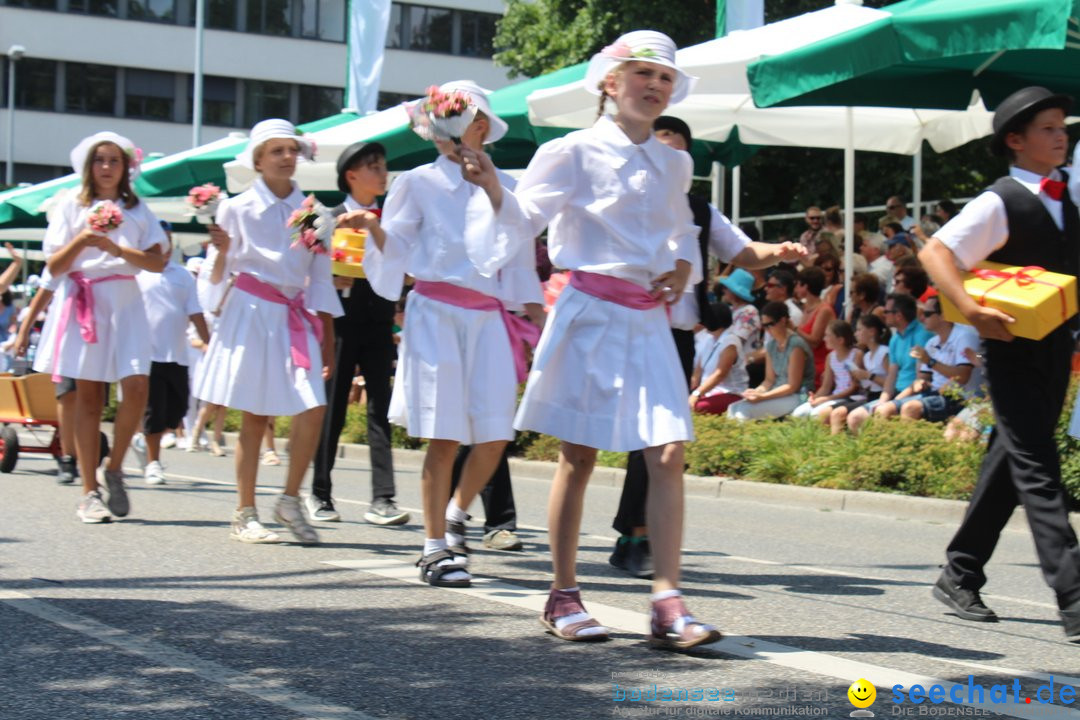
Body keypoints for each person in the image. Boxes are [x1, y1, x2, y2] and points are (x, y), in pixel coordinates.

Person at [462, 31, 797, 649]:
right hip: (590, 313)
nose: (655, 84)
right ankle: (563, 593)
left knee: (668, 453)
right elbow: (524, 219)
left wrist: (679, 269)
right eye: (641, 72)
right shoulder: (571, 151)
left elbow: (677, 235)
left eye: (665, 77)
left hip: (648, 320)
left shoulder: (675, 162)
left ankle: (667, 603)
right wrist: (489, 185)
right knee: (579, 454)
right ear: (609, 83)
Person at [361, 81, 544, 587]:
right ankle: (434, 548)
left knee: (494, 434)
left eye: (460, 117)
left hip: (488, 318)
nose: (447, 129)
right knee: (444, 436)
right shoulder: (417, 182)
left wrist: (537, 315)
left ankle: (459, 514)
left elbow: (519, 256)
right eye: (443, 118)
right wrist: (373, 231)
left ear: (481, 125)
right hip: (436, 311)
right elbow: (394, 245)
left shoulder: (506, 182)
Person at [609, 115, 803, 580]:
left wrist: (780, 250)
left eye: (676, 151)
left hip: (675, 335)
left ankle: (638, 536)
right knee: (590, 445)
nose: (665, 159)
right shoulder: (620, 201)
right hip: (621, 325)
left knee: (659, 438)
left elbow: (742, 251)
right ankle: (610, 547)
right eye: (657, 148)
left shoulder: (698, 208)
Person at [920, 87, 1080, 641]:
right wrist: (968, 308)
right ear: (1015, 140)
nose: (1062, 135)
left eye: (1064, 126)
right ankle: (1074, 594)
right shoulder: (1000, 200)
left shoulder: (1068, 198)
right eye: (1049, 128)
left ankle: (959, 571)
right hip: (1010, 349)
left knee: (1011, 460)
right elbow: (934, 252)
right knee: (1038, 466)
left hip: (1057, 346)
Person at [196, 118, 343, 544]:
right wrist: (223, 252)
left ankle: (290, 498)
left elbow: (320, 277)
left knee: (313, 405)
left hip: (294, 315)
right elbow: (215, 275)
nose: (286, 157)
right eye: (276, 151)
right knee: (256, 413)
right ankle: (245, 511)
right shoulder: (236, 208)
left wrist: (328, 338)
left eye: (291, 150)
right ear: (258, 160)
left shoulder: (312, 213)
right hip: (252, 310)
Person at [35, 131, 167, 523]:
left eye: (114, 160)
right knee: (89, 398)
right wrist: (83, 240)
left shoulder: (139, 209)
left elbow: (158, 261)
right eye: (100, 160)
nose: (107, 167)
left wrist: (118, 250)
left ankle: (115, 467)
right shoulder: (70, 207)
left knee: (138, 386)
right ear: (88, 166)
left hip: (127, 301)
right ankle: (89, 491)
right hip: (85, 302)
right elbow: (54, 267)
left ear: (127, 167)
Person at [309, 140, 408, 526]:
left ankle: (383, 498)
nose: (383, 173)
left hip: (380, 319)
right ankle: (319, 493)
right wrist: (327, 278)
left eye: (384, 166)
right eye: (374, 167)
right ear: (352, 175)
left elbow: (405, 266)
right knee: (332, 408)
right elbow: (309, 269)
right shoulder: (326, 217)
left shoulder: (391, 218)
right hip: (340, 319)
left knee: (379, 408)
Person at [131, 222, 210, 485]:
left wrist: (208, 342)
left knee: (177, 410)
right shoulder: (138, 272)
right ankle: (154, 462)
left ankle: (143, 439)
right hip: (147, 355)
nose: (163, 246)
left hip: (177, 354)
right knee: (154, 410)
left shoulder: (183, 275)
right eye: (158, 241)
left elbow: (195, 311)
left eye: (168, 240)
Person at [845, 293, 931, 432]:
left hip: (915, 394)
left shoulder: (921, 335)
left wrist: (894, 400)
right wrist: (883, 401)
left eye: (886, 311)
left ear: (898, 315)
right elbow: (891, 376)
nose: (883, 314)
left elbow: (919, 379)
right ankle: (865, 452)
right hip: (898, 393)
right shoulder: (895, 339)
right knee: (855, 417)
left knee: (882, 412)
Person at [727, 301, 814, 421]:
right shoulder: (771, 345)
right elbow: (769, 380)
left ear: (783, 321)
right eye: (764, 326)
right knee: (733, 408)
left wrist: (762, 397)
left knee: (744, 412)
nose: (767, 330)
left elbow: (793, 386)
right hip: (778, 393)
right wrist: (755, 392)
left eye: (770, 324)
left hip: (798, 395)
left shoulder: (796, 345)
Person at [899, 296, 979, 424]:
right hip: (934, 394)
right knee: (885, 409)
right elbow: (923, 377)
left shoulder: (964, 336)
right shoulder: (931, 342)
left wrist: (929, 361)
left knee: (910, 408)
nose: (922, 318)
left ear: (943, 316)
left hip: (959, 397)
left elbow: (962, 376)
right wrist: (920, 382)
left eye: (927, 314)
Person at [826, 314, 889, 435]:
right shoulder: (866, 356)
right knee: (834, 413)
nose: (856, 334)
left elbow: (891, 383)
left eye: (860, 330)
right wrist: (857, 378)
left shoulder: (884, 352)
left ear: (871, 332)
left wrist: (868, 376)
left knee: (838, 414)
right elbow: (867, 385)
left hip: (882, 396)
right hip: (871, 395)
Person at [791, 319, 858, 421]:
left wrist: (827, 399)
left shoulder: (856, 355)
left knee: (816, 415)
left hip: (849, 398)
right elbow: (826, 386)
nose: (824, 339)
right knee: (798, 414)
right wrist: (815, 398)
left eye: (827, 335)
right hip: (835, 396)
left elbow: (855, 387)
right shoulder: (830, 357)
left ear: (840, 340)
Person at [690, 302, 747, 415]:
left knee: (697, 407)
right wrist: (691, 390)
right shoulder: (708, 339)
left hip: (731, 393)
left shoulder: (731, 341)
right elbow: (698, 371)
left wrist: (696, 394)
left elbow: (720, 374)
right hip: (707, 392)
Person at [793, 266, 835, 385]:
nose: (795, 289)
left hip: (821, 366)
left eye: (798, 285)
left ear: (806, 286)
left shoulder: (824, 310)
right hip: (808, 364)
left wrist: (794, 329)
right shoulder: (806, 308)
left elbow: (815, 341)